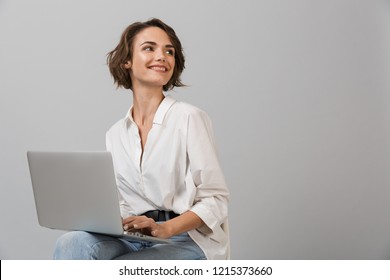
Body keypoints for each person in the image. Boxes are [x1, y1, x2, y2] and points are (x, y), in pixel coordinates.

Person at [53, 18, 229, 260]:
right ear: (127, 61)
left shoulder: (189, 118)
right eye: (149, 48)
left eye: (169, 51)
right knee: (71, 243)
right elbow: (124, 202)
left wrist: (166, 228)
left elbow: (216, 200)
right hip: (137, 236)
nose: (162, 56)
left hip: (187, 238)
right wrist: (114, 220)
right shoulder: (115, 134)